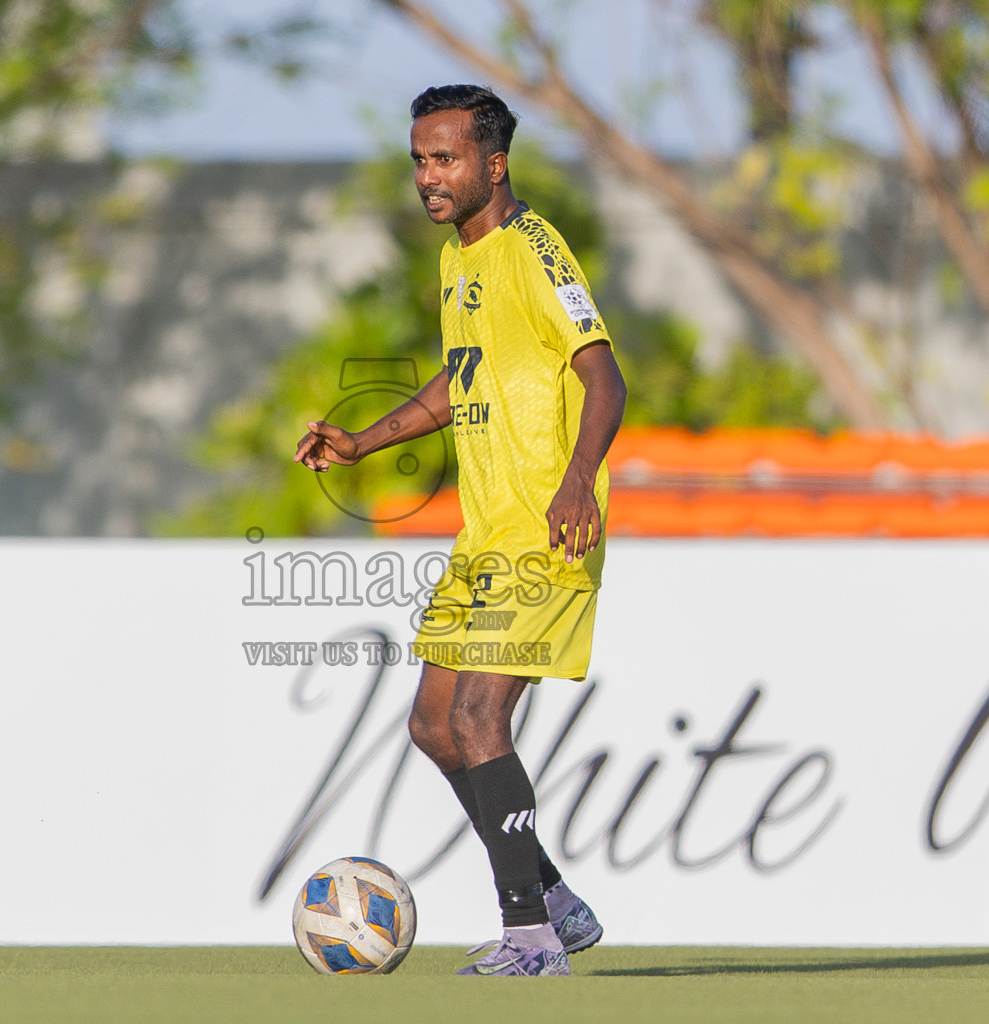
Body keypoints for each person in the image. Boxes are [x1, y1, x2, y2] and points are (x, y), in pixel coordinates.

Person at [293, 84, 626, 977]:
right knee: (436, 726)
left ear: (493, 163)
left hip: (546, 531)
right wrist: (365, 440)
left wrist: (577, 486)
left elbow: (604, 378)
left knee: (480, 715)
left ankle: (531, 938)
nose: (428, 177)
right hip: (486, 537)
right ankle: (552, 896)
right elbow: (461, 379)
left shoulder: (535, 248)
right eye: (420, 160)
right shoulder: (457, 261)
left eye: (444, 159)